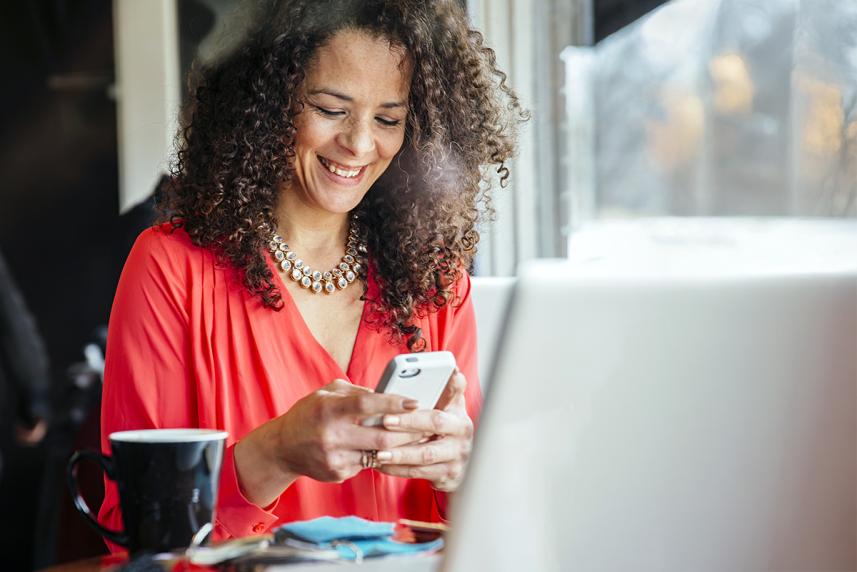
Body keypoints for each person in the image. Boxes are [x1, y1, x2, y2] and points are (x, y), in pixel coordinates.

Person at [98, 0, 525, 546]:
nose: (360, 143)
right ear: (267, 102)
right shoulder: (172, 270)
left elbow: (492, 535)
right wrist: (274, 453)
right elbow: (133, 531)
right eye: (330, 108)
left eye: (388, 119)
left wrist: (464, 473)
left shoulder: (434, 282)